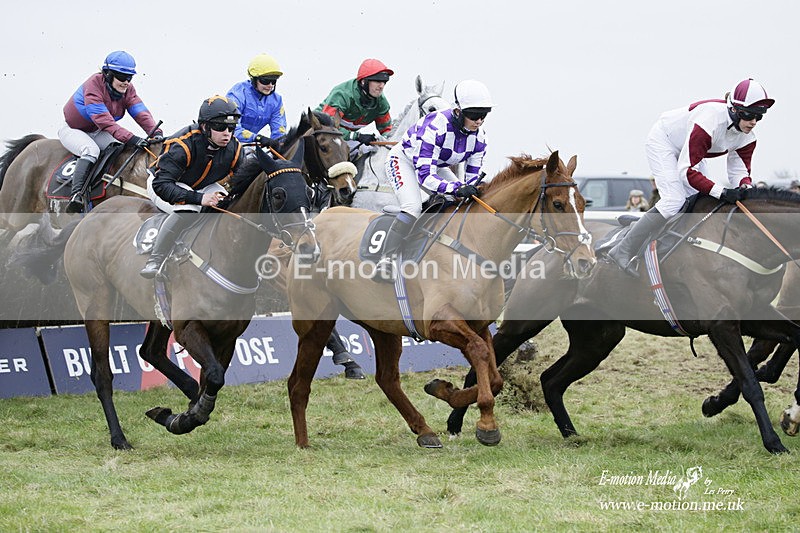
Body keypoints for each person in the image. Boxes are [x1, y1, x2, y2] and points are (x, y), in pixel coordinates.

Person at [608, 78, 775, 277]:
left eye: (759, 116)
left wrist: (747, 190)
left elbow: (740, 172)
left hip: (693, 152)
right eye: (749, 115)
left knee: (702, 201)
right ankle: (623, 248)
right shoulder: (710, 120)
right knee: (674, 200)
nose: (753, 122)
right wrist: (722, 192)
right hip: (665, 142)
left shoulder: (748, 136)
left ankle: (669, 239)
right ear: (734, 110)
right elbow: (686, 171)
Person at [374, 79, 492, 282]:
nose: (479, 121)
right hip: (404, 161)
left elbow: (472, 178)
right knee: (412, 206)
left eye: (483, 115)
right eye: (473, 115)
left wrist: (469, 190)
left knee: (463, 201)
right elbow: (425, 176)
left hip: (437, 165)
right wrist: (457, 188)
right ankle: (387, 259)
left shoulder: (480, 138)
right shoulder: (435, 127)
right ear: (458, 111)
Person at [140, 96, 244, 278]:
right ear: (205, 127)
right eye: (220, 127)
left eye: (231, 128)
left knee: (226, 207)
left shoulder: (235, 148)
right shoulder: (182, 144)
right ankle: (156, 259)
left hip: (203, 184)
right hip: (163, 183)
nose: (227, 133)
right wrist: (199, 198)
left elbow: (243, 182)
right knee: (189, 209)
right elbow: (162, 184)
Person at [60, 50, 163, 213]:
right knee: (91, 150)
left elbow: (140, 112)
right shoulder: (93, 85)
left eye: (129, 78)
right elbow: (104, 120)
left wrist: (156, 132)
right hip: (74, 130)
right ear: (108, 75)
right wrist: (132, 138)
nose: (126, 82)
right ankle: (77, 195)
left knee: (119, 148)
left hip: (97, 131)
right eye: (122, 77)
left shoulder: (128, 90)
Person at [317, 58, 394, 158]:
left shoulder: (381, 103)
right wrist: (357, 136)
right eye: (378, 81)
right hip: (319, 132)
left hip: (341, 137)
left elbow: (387, 131)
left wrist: (385, 142)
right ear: (363, 82)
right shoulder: (342, 95)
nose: (382, 86)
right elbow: (328, 128)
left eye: (384, 81)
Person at [226, 53, 286, 150]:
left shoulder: (277, 101)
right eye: (266, 81)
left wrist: (280, 145)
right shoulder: (237, 94)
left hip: (249, 146)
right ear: (254, 79)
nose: (270, 85)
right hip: (227, 144)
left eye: (274, 81)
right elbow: (232, 128)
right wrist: (257, 138)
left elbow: (279, 133)